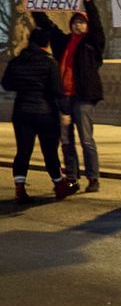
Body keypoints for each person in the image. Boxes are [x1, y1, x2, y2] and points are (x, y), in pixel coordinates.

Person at [33, 0, 106, 192]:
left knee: (86, 139)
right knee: (66, 141)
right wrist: (35, 4)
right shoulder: (63, 42)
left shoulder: (92, 43)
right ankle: (72, 177)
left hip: (83, 97)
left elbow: (97, 25)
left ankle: (93, 178)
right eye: (75, 22)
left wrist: (89, 0)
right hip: (64, 97)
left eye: (82, 22)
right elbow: (47, 25)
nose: (78, 25)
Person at [6, 26, 73, 201]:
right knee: (50, 151)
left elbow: (6, 84)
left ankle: (20, 187)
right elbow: (57, 90)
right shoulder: (50, 63)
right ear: (46, 44)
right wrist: (65, 111)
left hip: (22, 111)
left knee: (23, 151)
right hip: (46, 113)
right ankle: (59, 185)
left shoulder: (17, 62)